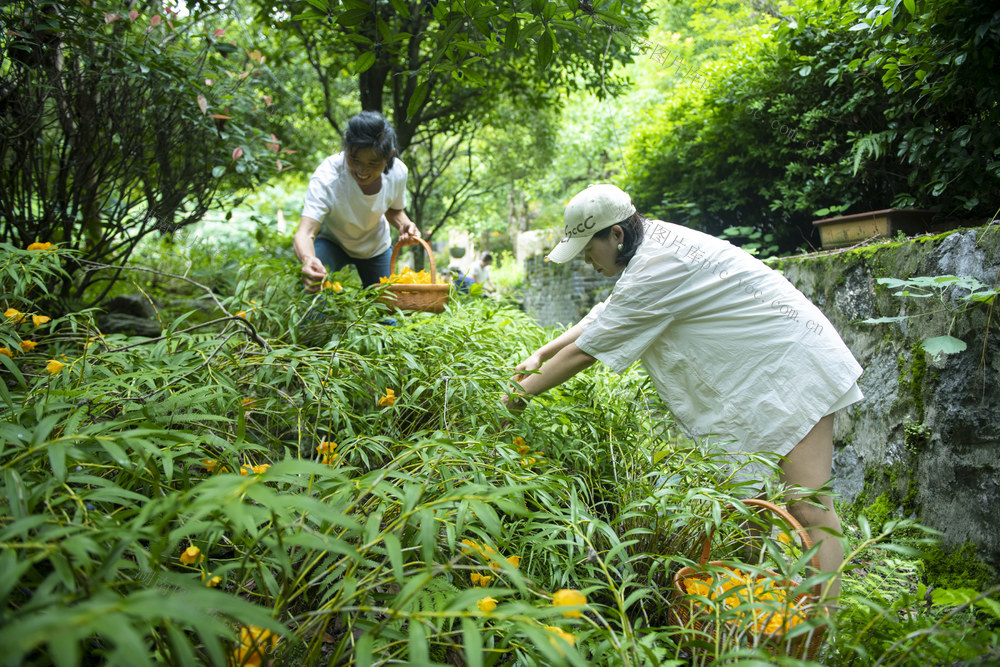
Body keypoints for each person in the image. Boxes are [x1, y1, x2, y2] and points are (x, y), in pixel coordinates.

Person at [506, 184, 863, 602]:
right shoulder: (652, 246)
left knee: (807, 507)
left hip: (796, 369)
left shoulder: (660, 263)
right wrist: (542, 353)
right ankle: (751, 613)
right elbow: (609, 313)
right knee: (744, 508)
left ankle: (820, 628)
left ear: (616, 234)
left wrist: (516, 397)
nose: (587, 260)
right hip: (762, 374)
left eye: (588, 249)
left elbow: (587, 352)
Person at [293, 111, 420, 291]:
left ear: (390, 155)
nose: (362, 171)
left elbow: (393, 209)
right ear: (346, 144)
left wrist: (405, 225)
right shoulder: (327, 177)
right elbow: (305, 233)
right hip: (333, 242)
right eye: (354, 159)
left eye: (373, 163)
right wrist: (308, 260)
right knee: (314, 290)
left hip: (375, 247)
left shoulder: (398, 172)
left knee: (387, 304)